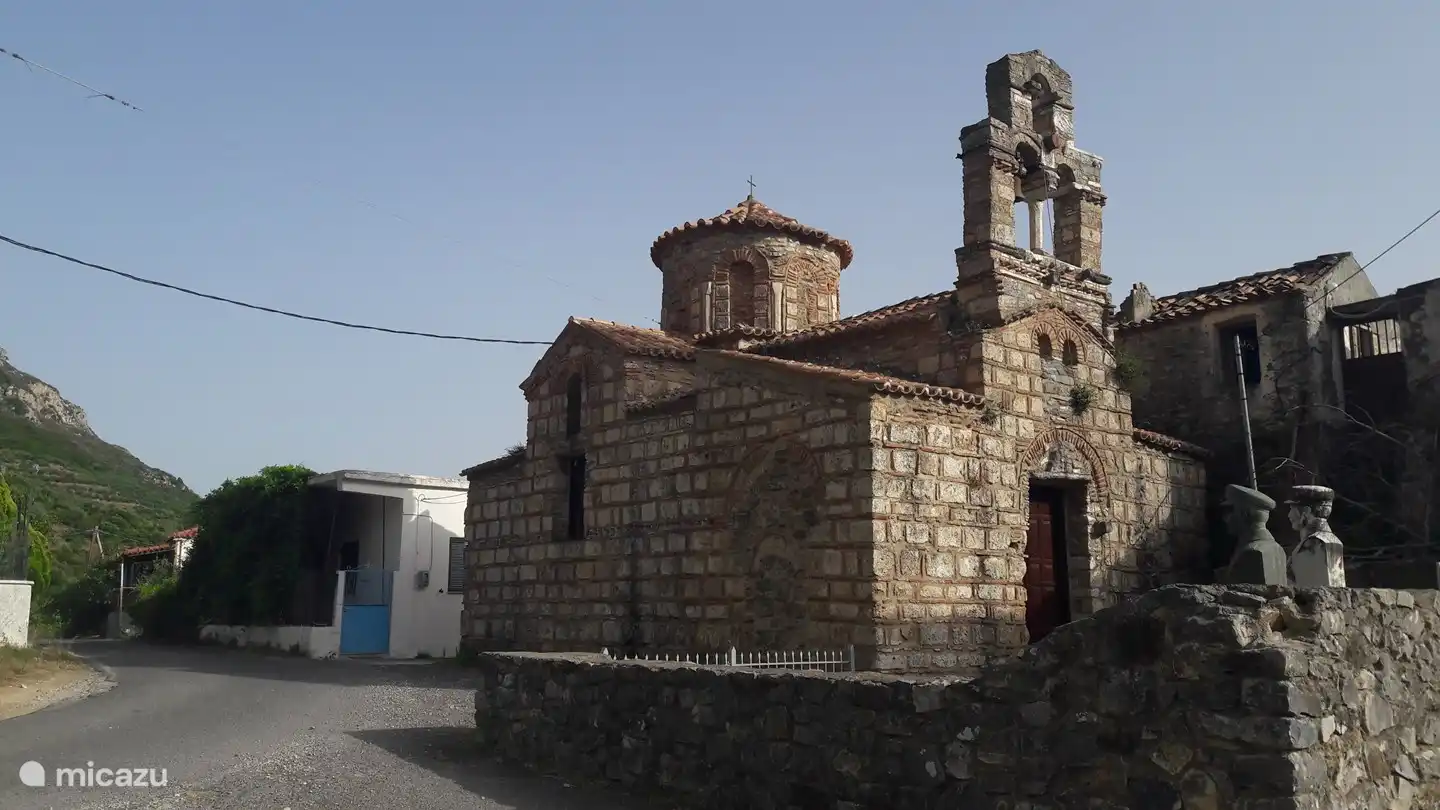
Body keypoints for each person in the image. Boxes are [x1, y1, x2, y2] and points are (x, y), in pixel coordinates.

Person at [1221, 484, 1287, 585]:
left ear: (1244, 514)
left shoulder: (1252, 553)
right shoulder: (1276, 547)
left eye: (1230, 512)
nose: (1225, 519)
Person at [1286, 485, 1346, 588]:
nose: (1289, 515)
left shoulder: (1314, 543)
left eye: (1292, 509)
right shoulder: (1331, 540)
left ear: (1306, 511)